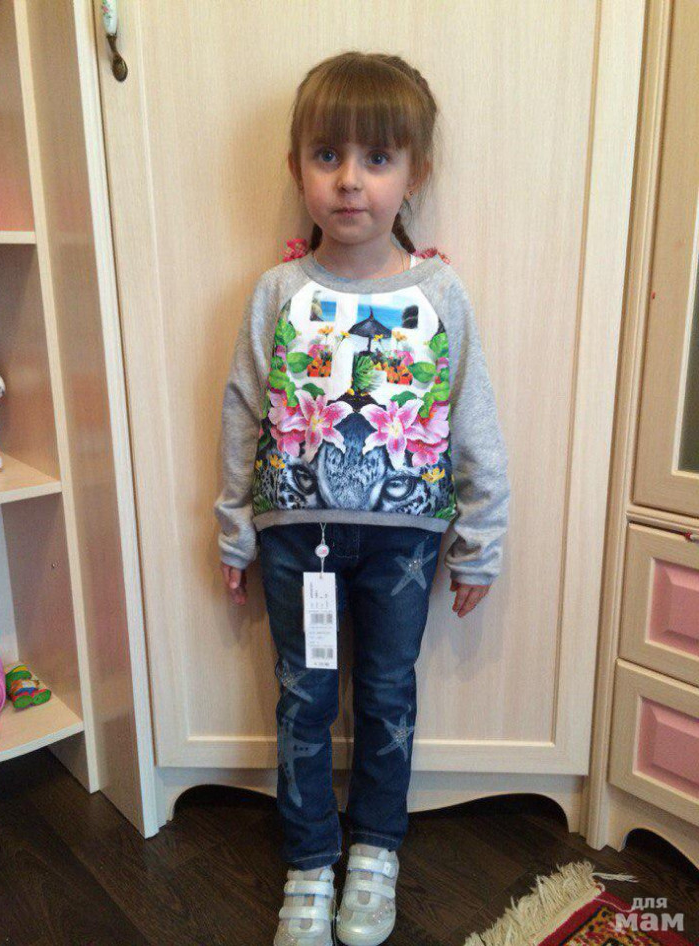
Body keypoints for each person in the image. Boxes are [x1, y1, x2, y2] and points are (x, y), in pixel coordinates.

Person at [214, 50, 510, 946]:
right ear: (297, 168)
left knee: (386, 696)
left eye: (377, 159)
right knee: (303, 700)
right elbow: (243, 409)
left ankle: (376, 851)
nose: (350, 181)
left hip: (404, 543)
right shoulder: (277, 292)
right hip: (294, 540)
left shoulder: (440, 293)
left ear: (414, 173)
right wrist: (233, 529)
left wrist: (481, 540)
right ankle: (310, 860)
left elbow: (473, 419)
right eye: (328, 156)